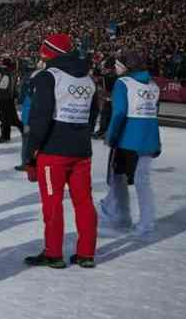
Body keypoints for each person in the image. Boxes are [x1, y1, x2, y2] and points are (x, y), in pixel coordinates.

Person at [23, 33, 99, 269]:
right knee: (84, 202)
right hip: (81, 150)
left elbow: (40, 117)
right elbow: (93, 114)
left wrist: (30, 152)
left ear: (49, 52)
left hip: (53, 150)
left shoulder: (49, 77)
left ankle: (53, 253)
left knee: (53, 204)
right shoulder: (88, 79)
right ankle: (86, 253)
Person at [98, 50, 161, 239]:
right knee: (143, 182)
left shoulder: (123, 83)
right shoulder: (153, 85)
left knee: (118, 178)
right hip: (148, 138)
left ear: (126, 67)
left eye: (117, 65)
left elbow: (119, 113)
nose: (115, 69)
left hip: (128, 138)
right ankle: (146, 223)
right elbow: (154, 113)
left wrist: (111, 135)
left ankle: (120, 216)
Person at [15, 61, 43, 171]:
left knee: (26, 139)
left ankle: (26, 163)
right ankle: (38, 162)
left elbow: (21, 98)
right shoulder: (45, 76)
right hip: (42, 114)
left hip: (29, 113)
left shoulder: (26, 79)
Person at [0, 58, 20, 143]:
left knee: (4, 118)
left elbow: (3, 87)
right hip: (9, 98)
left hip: (4, 98)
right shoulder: (11, 73)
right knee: (12, 119)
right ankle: (7, 136)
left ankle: (4, 136)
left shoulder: (6, 74)